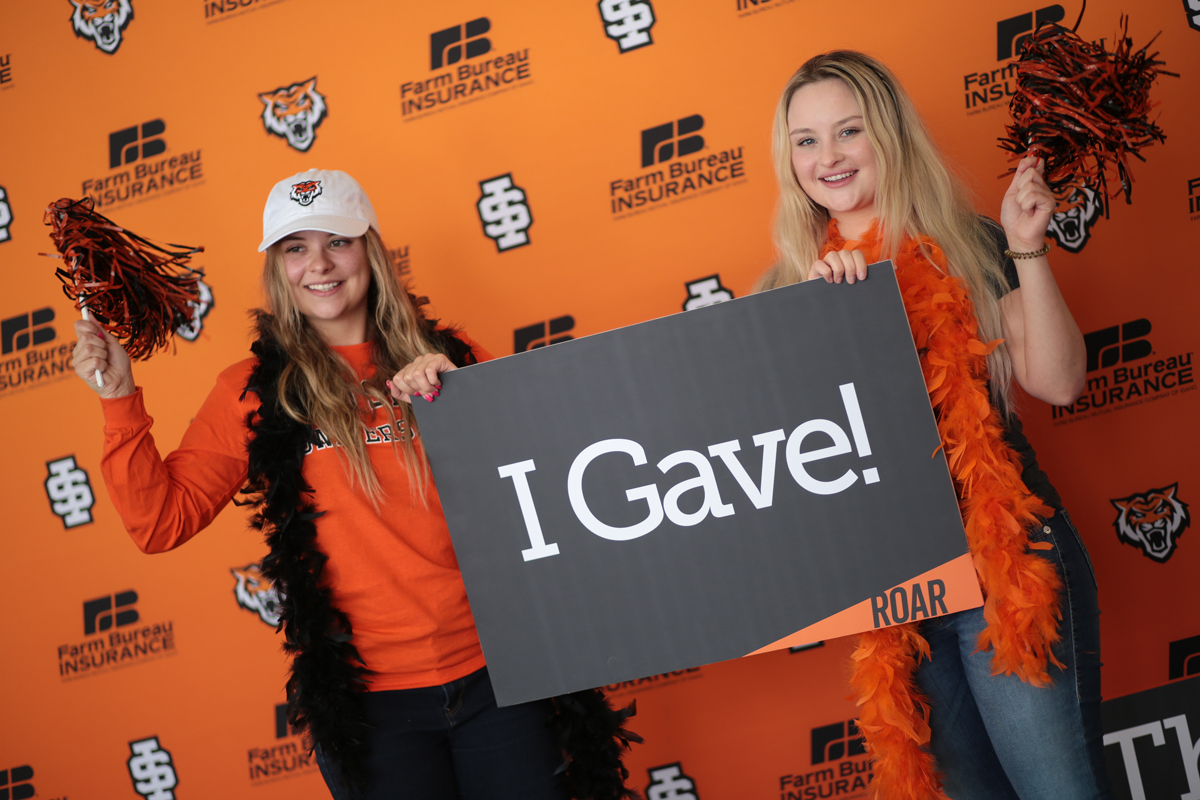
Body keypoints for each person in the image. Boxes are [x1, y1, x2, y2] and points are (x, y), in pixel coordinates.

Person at [72, 169, 636, 800]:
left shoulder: (450, 361)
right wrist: (118, 398)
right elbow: (159, 523)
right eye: (295, 247)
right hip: (372, 708)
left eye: (337, 241)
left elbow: (549, 490)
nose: (319, 263)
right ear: (277, 267)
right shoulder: (251, 393)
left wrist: (467, 401)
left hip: (501, 675)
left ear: (370, 250)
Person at [756, 52, 1110, 799]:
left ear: (888, 134)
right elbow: (779, 472)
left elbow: (1059, 381)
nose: (829, 157)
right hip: (899, 597)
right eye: (806, 140)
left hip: (1006, 566)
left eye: (848, 131)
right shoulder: (781, 294)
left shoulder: (967, 241)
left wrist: (1027, 246)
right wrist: (826, 324)